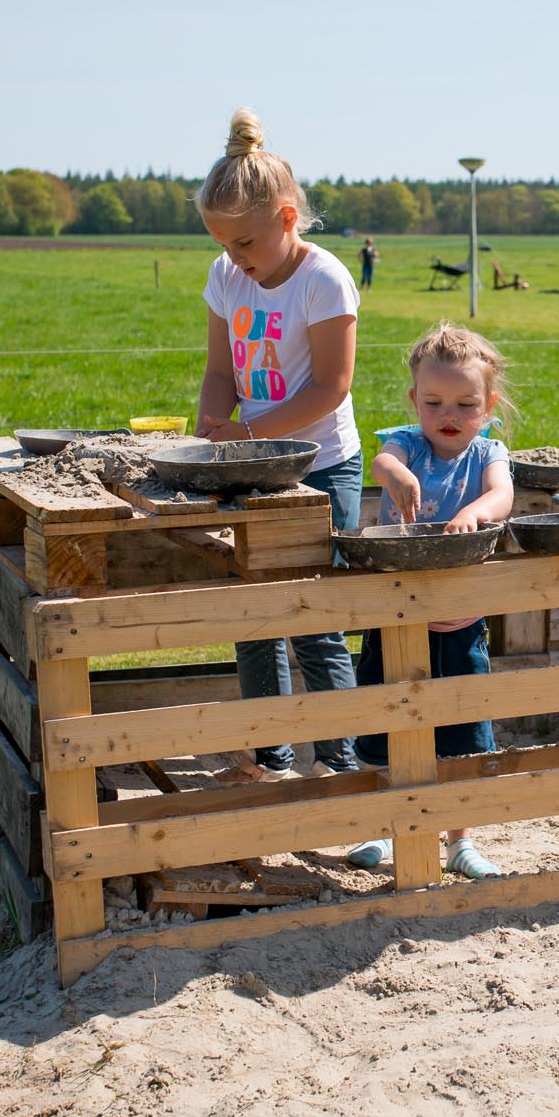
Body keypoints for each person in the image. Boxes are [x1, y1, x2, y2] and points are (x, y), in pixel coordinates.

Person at [196, 107, 363, 782]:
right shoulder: (227, 277)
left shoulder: (324, 281)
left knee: (314, 619)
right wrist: (212, 432)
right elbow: (219, 373)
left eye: (246, 245)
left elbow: (329, 388)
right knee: (253, 615)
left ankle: (343, 762)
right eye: (225, 245)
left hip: (320, 468)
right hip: (252, 467)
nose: (236, 260)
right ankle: (271, 760)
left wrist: (247, 434)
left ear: (288, 218)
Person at [347, 323, 515, 880]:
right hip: (395, 614)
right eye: (434, 401)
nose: (450, 413)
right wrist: (395, 472)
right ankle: (381, 825)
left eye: (466, 403)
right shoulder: (407, 443)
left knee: (461, 732)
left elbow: (503, 493)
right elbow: (382, 463)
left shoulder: (488, 451)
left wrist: (478, 512)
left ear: (488, 406)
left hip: (458, 618)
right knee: (383, 724)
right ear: (414, 401)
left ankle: (459, 840)